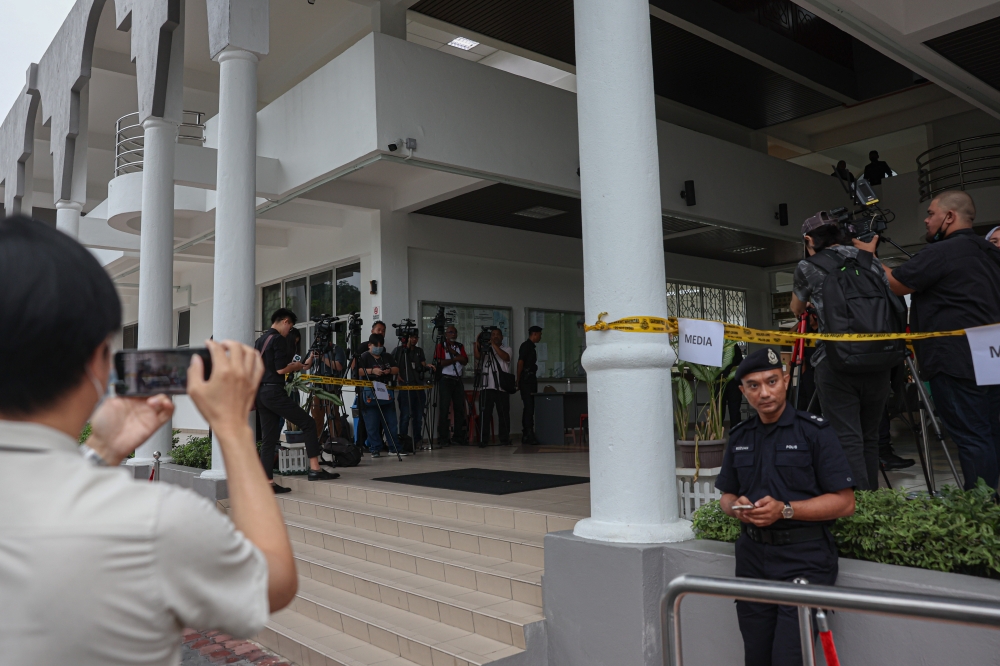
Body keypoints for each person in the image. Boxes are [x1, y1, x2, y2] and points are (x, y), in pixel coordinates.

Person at [0, 216, 297, 663]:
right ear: (99, 362)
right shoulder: (152, 522)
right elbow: (272, 581)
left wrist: (101, 453)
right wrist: (234, 429)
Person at [716, 348, 856, 666]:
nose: (764, 392)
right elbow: (726, 495)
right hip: (752, 560)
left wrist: (785, 510)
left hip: (804, 561)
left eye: (771, 381)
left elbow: (846, 503)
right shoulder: (739, 437)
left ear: (785, 380)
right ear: (743, 391)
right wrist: (736, 506)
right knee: (756, 656)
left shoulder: (814, 432)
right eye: (753, 385)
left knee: (789, 658)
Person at [876, 190, 1000, 490]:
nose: (926, 219)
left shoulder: (943, 251)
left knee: (971, 435)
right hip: (992, 354)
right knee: (990, 432)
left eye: (931, 213)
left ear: (949, 216)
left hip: (956, 358)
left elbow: (896, 284)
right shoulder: (991, 253)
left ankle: (980, 509)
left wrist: (868, 257)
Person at [790, 211, 900, 490]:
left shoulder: (808, 266)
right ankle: (872, 499)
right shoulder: (869, 261)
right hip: (879, 359)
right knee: (870, 436)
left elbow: (797, 309)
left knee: (846, 436)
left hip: (835, 361)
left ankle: (858, 507)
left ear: (808, 239)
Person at [255, 308, 339, 492]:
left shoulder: (260, 340)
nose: (289, 331)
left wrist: (300, 364)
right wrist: (295, 366)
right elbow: (280, 369)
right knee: (308, 423)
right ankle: (315, 469)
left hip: (261, 393)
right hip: (274, 391)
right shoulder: (277, 339)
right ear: (285, 321)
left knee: (269, 440)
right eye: (290, 326)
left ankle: (267, 482)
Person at [356, 333, 400, 458]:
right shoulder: (364, 356)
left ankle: (393, 447)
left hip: (386, 391)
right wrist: (372, 371)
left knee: (391, 421)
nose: (378, 348)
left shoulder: (386, 356)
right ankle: (374, 448)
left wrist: (389, 370)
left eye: (381, 346)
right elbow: (358, 370)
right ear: (369, 345)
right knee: (372, 423)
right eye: (376, 346)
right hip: (369, 391)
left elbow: (396, 368)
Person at [474, 327, 513, 447]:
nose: (495, 336)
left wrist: (493, 345)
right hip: (486, 386)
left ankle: (504, 439)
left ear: (502, 337)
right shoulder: (485, 350)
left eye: (497, 335)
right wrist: (478, 341)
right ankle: (483, 439)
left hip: (501, 387)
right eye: (493, 334)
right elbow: (477, 357)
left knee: (503, 414)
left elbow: (506, 357)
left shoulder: (507, 348)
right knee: (485, 414)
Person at [394, 330, 432, 445]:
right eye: (412, 337)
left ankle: (417, 440)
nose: (415, 339)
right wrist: (397, 375)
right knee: (405, 415)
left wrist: (427, 367)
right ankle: (403, 441)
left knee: (418, 416)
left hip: (419, 386)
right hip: (405, 387)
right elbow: (392, 364)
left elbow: (423, 365)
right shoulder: (399, 350)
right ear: (407, 338)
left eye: (416, 337)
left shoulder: (419, 351)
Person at [434, 326, 469, 446]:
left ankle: (458, 437)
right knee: (444, 408)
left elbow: (465, 361)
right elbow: (440, 362)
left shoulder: (459, 346)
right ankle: (443, 438)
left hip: (457, 379)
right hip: (446, 379)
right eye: (450, 332)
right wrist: (456, 359)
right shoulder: (441, 346)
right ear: (446, 334)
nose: (453, 334)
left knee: (459, 408)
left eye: (455, 332)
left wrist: (455, 354)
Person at [517, 326, 543, 444]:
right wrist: (518, 379)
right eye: (540, 334)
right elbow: (520, 362)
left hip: (531, 379)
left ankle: (529, 433)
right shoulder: (526, 346)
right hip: (526, 380)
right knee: (528, 407)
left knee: (531, 406)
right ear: (535, 334)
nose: (540, 337)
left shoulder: (531, 347)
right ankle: (527, 433)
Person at [721, 343, 745, 429]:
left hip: (729, 381)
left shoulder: (732, 346)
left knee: (721, 409)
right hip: (729, 381)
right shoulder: (733, 345)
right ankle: (735, 432)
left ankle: (718, 433)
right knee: (731, 409)